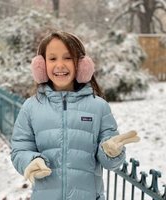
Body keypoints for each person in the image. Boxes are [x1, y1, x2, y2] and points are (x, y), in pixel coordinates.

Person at [11, 30, 140, 200]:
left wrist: (112, 152)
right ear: (41, 65)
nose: (60, 65)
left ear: (82, 64)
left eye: (68, 57)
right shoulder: (31, 107)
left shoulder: (99, 107)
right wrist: (30, 161)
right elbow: (20, 149)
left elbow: (111, 163)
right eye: (52, 58)